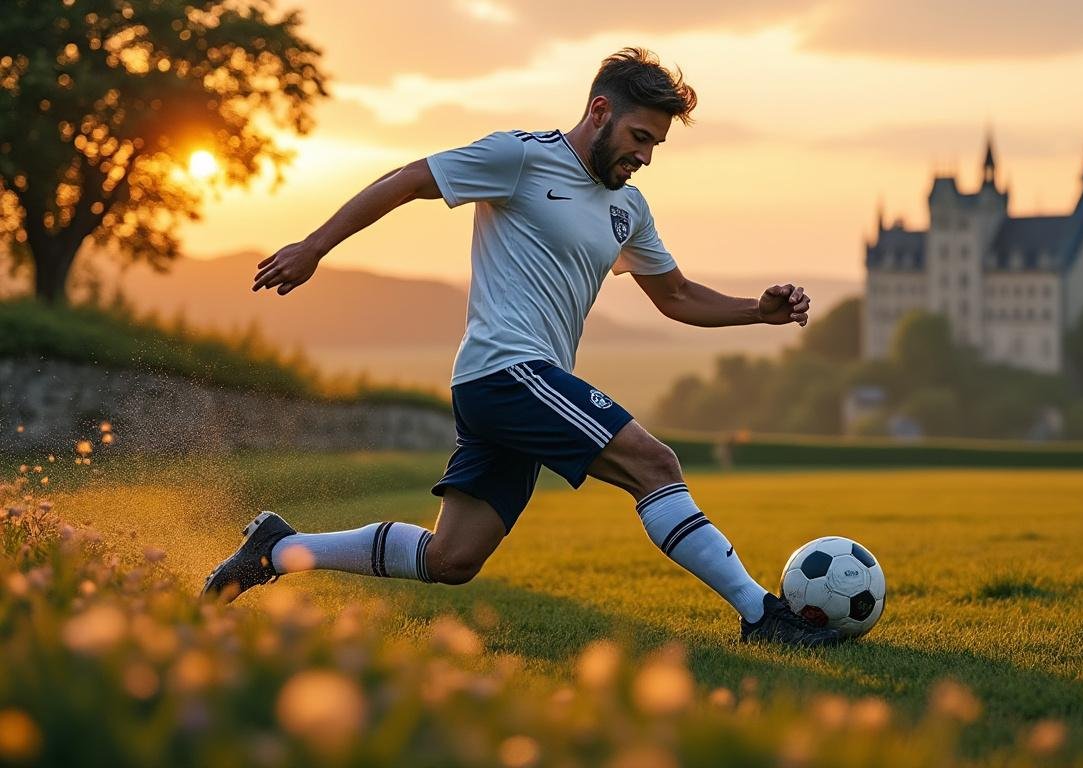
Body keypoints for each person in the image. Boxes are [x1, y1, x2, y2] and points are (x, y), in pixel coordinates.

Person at [202, 48, 839, 647]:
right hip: (505, 372)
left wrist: (757, 312)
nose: (645, 157)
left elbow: (674, 296)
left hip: (521, 389)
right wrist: (315, 246)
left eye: (656, 145)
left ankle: (277, 550)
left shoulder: (629, 208)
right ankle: (761, 613)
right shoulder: (521, 157)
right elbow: (408, 179)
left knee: (451, 559)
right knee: (655, 464)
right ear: (600, 112)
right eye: (640, 138)